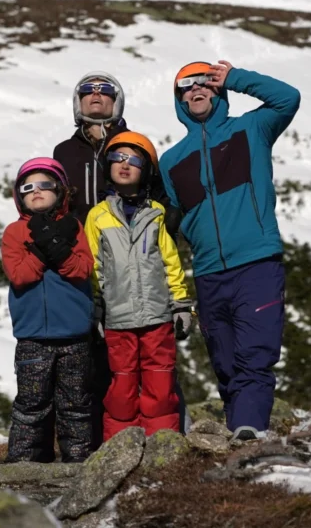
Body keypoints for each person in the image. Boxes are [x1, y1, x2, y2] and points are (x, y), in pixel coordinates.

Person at [159, 60, 300, 441]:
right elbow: (167, 219)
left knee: (255, 353)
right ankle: (239, 428)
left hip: (257, 262)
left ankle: (249, 430)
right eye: (185, 86)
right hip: (207, 272)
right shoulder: (170, 161)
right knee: (224, 361)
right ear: (179, 100)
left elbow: (288, 99)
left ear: (217, 90)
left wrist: (236, 79)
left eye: (204, 82)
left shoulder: (251, 129)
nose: (195, 89)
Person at [85, 133, 194, 440]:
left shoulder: (156, 215)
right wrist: (95, 309)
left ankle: (162, 446)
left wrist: (181, 304)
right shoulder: (97, 217)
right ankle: (120, 447)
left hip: (157, 319)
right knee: (121, 387)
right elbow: (94, 266)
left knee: (160, 386)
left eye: (133, 160)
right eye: (117, 158)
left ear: (145, 170)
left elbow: (170, 262)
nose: (124, 164)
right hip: (117, 320)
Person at [2, 158, 94, 462]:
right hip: (33, 338)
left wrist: (60, 248)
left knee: (75, 404)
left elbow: (82, 270)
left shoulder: (74, 227)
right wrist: (43, 250)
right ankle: (24, 466)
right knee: (31, 404)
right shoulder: (15, 233)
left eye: (45, 184)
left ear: (61, 191)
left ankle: (78, 464)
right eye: (28, 187)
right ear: (19, 196)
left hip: (75, 336)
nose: (36, 191)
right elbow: (19, 275)